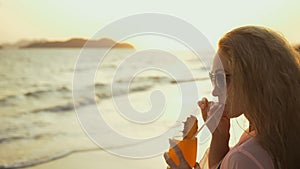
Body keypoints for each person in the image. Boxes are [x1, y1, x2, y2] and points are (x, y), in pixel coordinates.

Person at [164, 26, 300, 169]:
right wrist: (219, 137)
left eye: (222, 79)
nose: (215, 92)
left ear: (254, 78)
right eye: (213, 79)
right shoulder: (276, 133)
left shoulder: (244, 157)